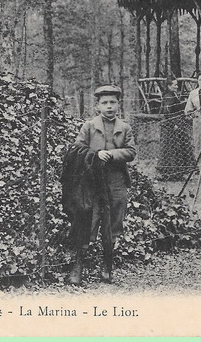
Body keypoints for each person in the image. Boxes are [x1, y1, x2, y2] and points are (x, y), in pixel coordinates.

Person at [62, 85, 136, 285]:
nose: (109, 106)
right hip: (91, 181)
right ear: (97, 106)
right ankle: (78, 267)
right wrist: (95, 155)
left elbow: (131, 152)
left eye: (113, 102)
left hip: (116, 181)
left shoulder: (125, 127)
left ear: (118, 104)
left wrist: (111, 154)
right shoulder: (88, 126)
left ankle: (107, 267)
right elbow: (77, 148)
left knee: (113, 223)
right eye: (105, 103)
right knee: (87, 219)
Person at [156, 76, 194, 180]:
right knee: (171, 149)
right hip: (171, 127)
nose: (177, 87)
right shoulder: (168, 96)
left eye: (177, 84)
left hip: (174, 125)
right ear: (169, 86)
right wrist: (173, 125)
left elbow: (175, 108)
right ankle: (171, 173)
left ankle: (176, 173)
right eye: (175, 85)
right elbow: (167, 112)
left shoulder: (172, 95)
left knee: (177, 149)